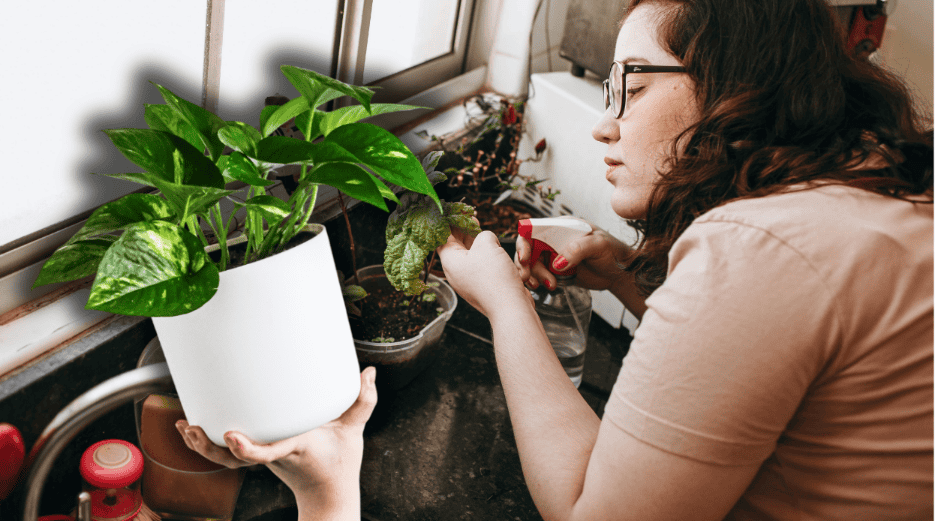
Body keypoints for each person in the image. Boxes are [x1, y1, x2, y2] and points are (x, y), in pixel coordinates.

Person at [179, 0, 933, 519]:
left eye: (628, 85)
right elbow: (780, 379)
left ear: (736, 83)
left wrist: (503, 300)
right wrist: (630, 278)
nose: (605, 128)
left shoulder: (759, 245)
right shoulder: (863, 196)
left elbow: (588, 508)